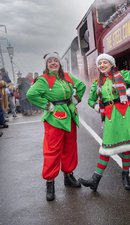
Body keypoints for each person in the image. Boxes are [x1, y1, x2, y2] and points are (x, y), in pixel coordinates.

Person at [79, 53, 130, 192]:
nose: (102, 65)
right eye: (100, 63)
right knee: (107, 147)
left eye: (105, 62)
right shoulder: (97, 83)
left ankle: (125, 175)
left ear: (111, 64)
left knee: (128, 146)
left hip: (126, 113)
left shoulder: (122, 75)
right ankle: (95, 179)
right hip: (110, 115)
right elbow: (90, 100)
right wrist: (97, 107)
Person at [27, 52, 86, 201]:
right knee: (52, 150)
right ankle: (50, 183)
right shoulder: (43, 79)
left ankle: (68, 176)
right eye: (50, 62)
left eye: (55, 61)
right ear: (46, 65)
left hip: (70, 115)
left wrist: (75, 99)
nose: (53, 63)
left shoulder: (66, 76)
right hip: (54, 118)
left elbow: (82, 86)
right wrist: (47, 106)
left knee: (70, 147)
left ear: (59, 63)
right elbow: (31, 94)